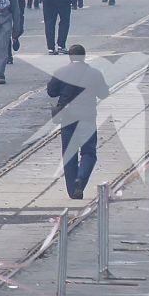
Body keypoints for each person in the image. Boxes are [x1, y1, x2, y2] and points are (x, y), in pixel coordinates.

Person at [47, 45, 109, 200]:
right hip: (87, 116)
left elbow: (51, 91)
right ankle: (80, 179)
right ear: (84, 56)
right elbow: (104, 93)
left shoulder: (62, 72)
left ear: (70, 56)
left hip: (68, 117)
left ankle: (73, 192)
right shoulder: (94, 73)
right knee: (89, 152)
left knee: (69, 154)